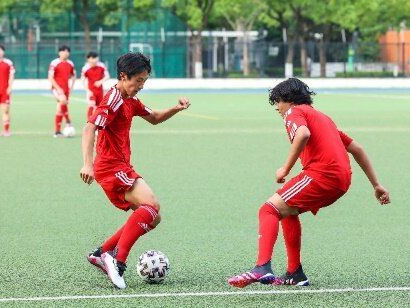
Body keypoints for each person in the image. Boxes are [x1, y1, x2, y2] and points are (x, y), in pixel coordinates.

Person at [228, 78, 390, 288]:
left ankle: (262, 267)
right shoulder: (323, 117)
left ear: (288, 99)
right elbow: (357, 149)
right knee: (287, 211)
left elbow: (303, 134)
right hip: (341, 179)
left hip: (323, 175)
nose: (277, 107)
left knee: (267, 210)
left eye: (277, 101)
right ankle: (295, 273)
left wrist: (285, 169)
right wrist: (376, 185)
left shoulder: (294, 112)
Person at [79, 52, 190, 289]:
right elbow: (89, 128)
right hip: (110, 168)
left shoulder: (131, 100)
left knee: (153, 217)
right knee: (152, 205)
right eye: (137, 81)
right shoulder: (113, 99)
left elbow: (156, 117)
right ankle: (117, 262)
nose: (140, 86)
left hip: (121, 167)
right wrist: (87, 163)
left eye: (144, 81)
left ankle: (103, 251)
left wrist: (176, 108)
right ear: (123, 76)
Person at [48, 45, 76, 137]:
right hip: (57, 89)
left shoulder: (70, 63)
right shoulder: (54, 63)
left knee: (60, 108)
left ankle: (57, 131)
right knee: (62, 101)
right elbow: (50, 77)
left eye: (68, 51)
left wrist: (71, 88)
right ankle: (68, 121)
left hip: (66, 89)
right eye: (64, 51)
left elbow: (73, 76)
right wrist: (58, 88)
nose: (66, 53)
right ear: (59, 52)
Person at [81, 51, 109, 120]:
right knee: (91, 105)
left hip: (100, 91)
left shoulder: (101, 65)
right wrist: (88, 91)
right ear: (88, 59)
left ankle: (97, 126)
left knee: (99, 108)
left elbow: (107, 76)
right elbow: (82, 81)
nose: (95, 60)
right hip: (91, 91)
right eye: (92, 58)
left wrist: (100, 81)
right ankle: (89, 124)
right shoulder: (85, 68)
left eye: (96, 58)